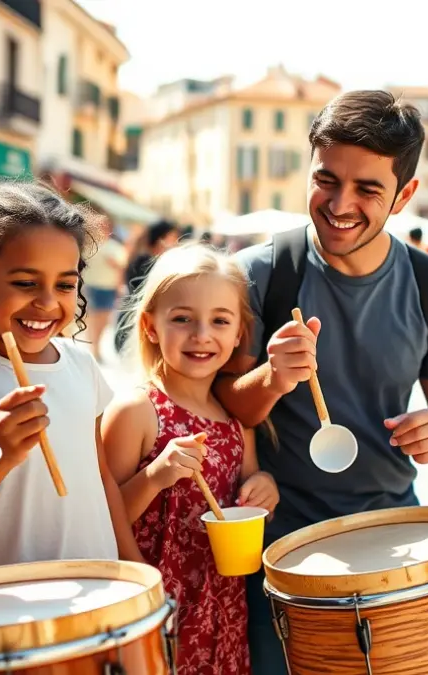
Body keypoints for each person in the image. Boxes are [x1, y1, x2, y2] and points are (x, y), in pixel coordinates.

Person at [215, 90, 428, 674]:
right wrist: (272, 376)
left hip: (390, 538)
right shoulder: (260, 275)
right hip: (278, 548)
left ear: (404, 195)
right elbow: (224, 407)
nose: (340, 203)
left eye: (368, 189)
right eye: (326, 179)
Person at [0, 181, 144, 576]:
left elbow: (101, 479)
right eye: (25, 283)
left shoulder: (82, 364)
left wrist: (135, 568)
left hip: (87, 594)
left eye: (65, 285)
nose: (48, 302)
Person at [103, 244, 280, 675]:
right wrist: (154, 476)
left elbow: (248, 496)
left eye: (220, 321)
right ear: (149, 326)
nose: (201, 334)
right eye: (182, 319)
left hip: (223, 610)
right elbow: (102, 518)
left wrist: (265, 492)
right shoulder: (136, 411)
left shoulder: (238, 421)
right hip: (155, 607)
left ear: (239, 333)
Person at [114, 220, 180, 353]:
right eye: (173, 237)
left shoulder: (142, 256)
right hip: (135, 323)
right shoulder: (147, 261)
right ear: (162, 238)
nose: (176, 241)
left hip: (132, 320)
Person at [81, 219, 128, 359]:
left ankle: (96, 345)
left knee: (104, 319)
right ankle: (94, 348)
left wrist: (119, 287)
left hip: (108, 287)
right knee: (92, 318)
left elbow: (121, 268)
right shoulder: (88, 245)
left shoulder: (115, 247)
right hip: (91, 286)